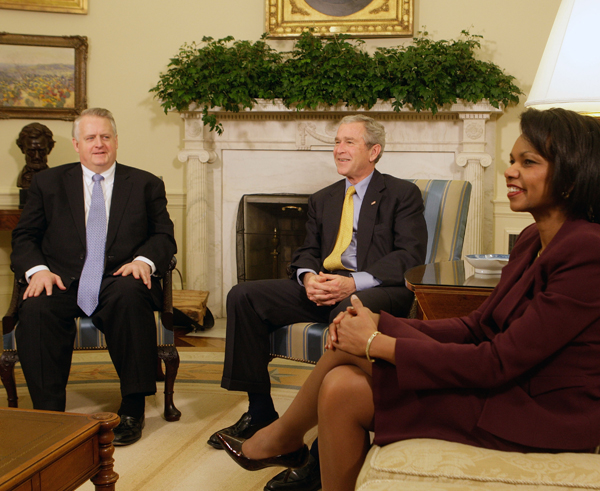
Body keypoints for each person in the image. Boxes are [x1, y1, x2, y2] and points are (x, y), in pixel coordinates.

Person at [217, 107, 600, 491]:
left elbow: (496, 360)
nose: (510, 171)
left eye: (527, 162)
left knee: (353, 339)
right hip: (506, 382)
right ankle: (279, 432)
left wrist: (376, 342)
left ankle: (282, 437)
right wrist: (380, 325)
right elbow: (477, 326)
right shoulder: (532, 239)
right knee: (340, 387)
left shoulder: (586, 250)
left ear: (570, 176)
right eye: (512, 160)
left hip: (539, 409)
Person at [209, 114, 428, 491]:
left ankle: (316, 454)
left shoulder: (401, 193)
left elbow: (410, 255)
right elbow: (307, 251)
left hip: (376, 288)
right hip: (324, 284)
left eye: (349, 142)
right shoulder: (324, 197)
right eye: (337, 142)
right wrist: (309, 278)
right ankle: (260, 412)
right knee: (243, 296)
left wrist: (351, 283)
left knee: (347, 313)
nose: (338, 149)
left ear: (374, 151)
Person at [11, 108, 177, 446]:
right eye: (90, 138)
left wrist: (144, 261)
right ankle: (48, 414)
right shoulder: (48, 183)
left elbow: (164, 236)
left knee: (131, 295)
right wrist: (38, 270)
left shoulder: (146, 184)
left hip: (119, 276)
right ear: (76, 144)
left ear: (116, 142)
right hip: (61, 278)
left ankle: (132, 408)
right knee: (37, 308)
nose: (98, 144)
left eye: (105, 137)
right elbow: (24, 236)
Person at [16, 122, 55, 189]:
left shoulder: (53, 178)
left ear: (49, 149)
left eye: (41, 151)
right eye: (31, 151)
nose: (37, 156)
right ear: (22, 149)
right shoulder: (23, 178)